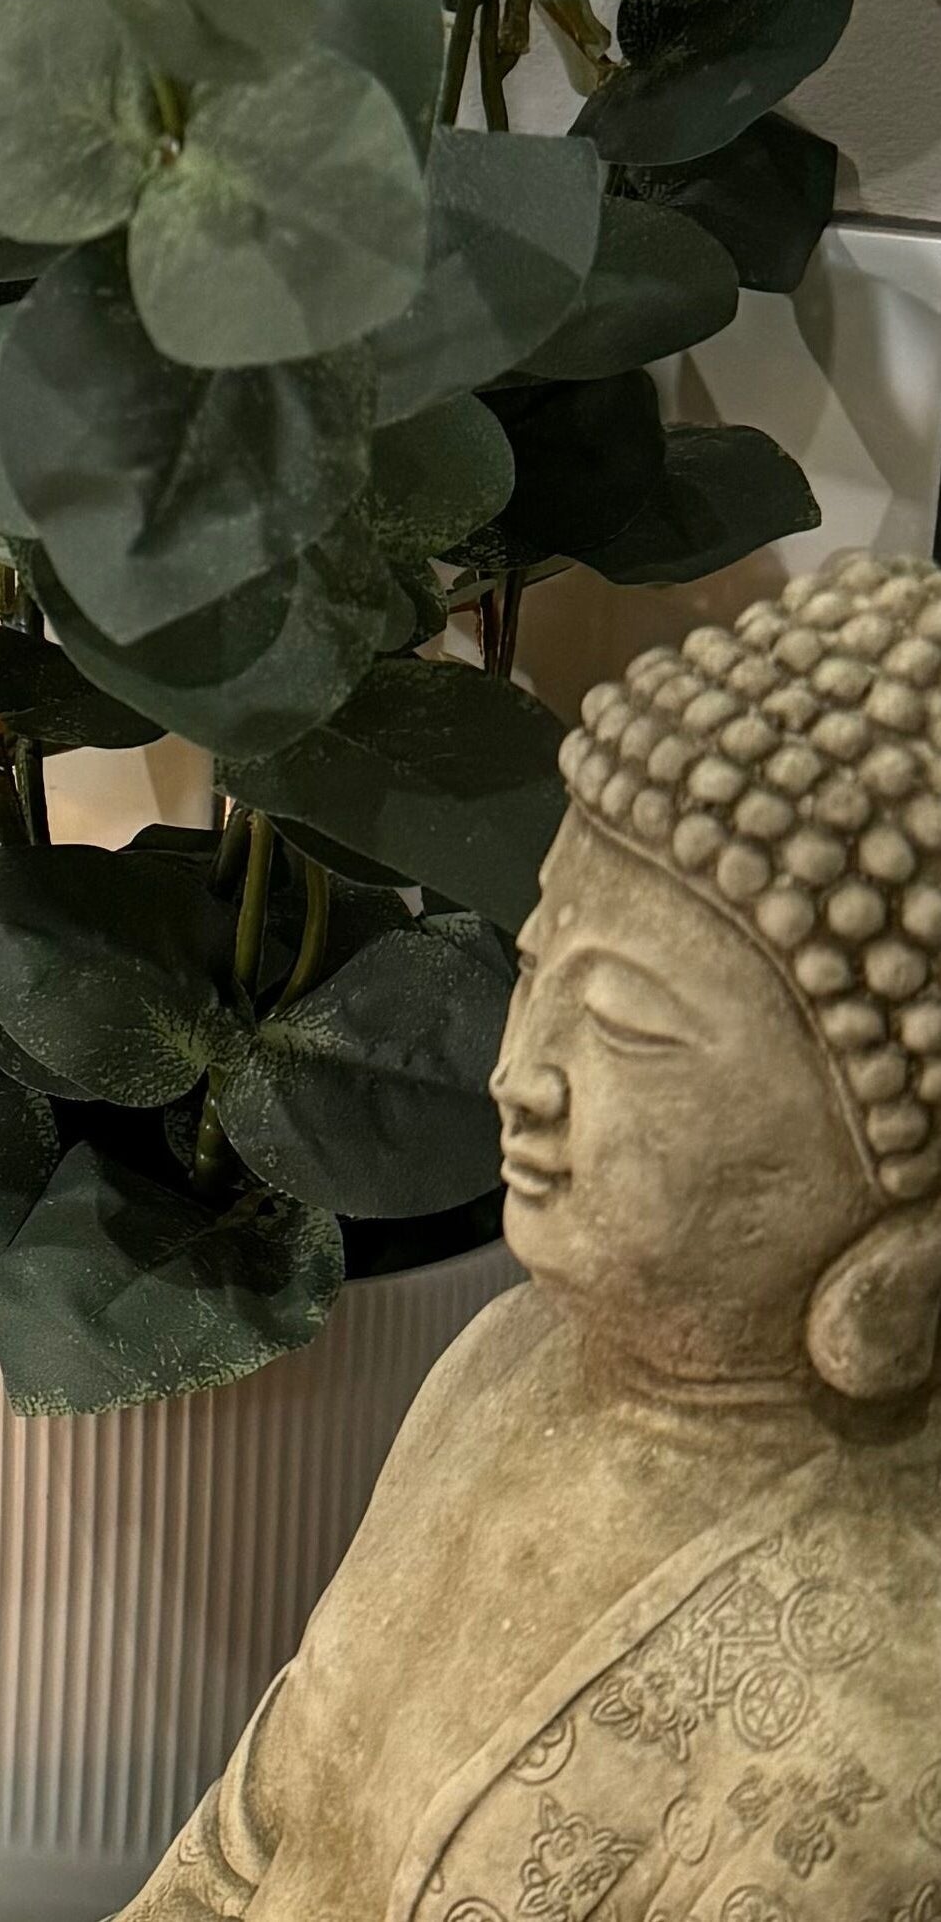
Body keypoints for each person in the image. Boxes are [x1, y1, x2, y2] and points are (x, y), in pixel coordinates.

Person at [122, 552, 941, 1922]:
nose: (521, 1074)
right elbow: (238, 1849)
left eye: (624, 1022)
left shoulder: (880, 1702)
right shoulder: (505, 1361)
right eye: (539, 969)